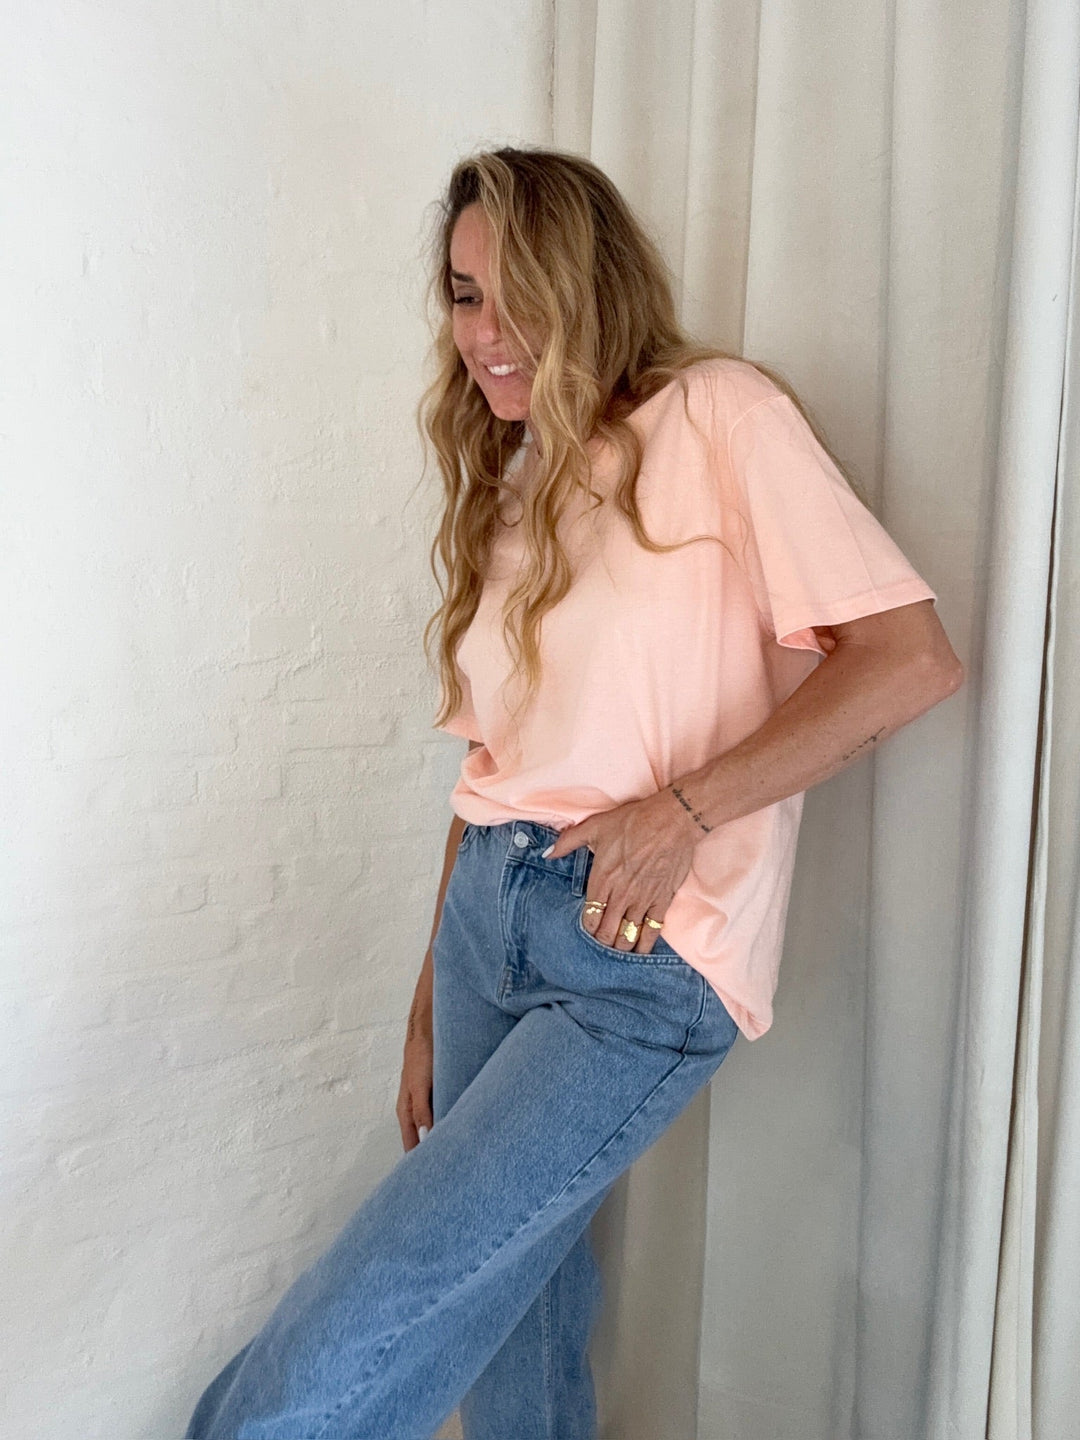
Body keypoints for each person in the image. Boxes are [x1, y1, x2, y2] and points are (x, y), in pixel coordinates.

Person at [184, 145, 964, 1440]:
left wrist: (683, 813)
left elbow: (908, 660)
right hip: (484, 928)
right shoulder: (520, 476)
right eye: (464, 295)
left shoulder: (719, 415)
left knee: (365, 1320)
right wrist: (428, 1001)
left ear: (592, 287)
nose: (486, 335)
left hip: (637, 950)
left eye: (519, 296)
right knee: (522, 1319)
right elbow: (490, 773)